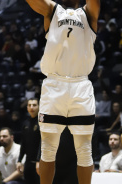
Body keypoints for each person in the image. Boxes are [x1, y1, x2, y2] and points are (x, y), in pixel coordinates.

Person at [24, 0, 100, 184]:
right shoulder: (52, 9)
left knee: (84, 150)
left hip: (80, 85)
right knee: (48, 148)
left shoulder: (88, 13)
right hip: (54, 84)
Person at [16, 98, 41, 184]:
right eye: (29, 105)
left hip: (40, 163)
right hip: (28, 163)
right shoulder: (25, 123)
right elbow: (23, 143)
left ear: (39, 107)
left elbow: (43, 143)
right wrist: (19, 160)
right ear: (27, 108)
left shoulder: (42, 122)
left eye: (34, 105)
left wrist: (39, 160)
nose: (31, 107)